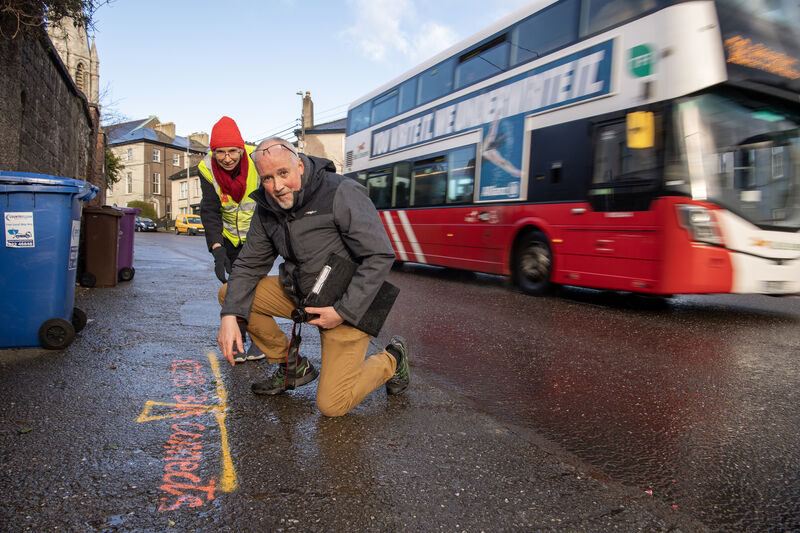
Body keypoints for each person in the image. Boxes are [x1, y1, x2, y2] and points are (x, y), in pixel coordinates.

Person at [216, 138, 410, 417]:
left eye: (283, 174)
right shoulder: (268, 205)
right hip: (302, 293)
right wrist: (229, 316)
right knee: (229, 296)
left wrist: (342, 311)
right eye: (267, 178)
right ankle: (292, 366)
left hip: (349, 303)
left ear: (299, 164)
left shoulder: (341, 192)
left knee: (332, 406)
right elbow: (248, 265)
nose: (277, 186)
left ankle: (394, 358)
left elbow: (379, 255)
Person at [199, 116, 264, 363]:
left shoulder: (258, 160)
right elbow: (210, 209)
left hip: (257, 236)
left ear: (241, 148)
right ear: (213, 151)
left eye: (233, 151)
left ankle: (260, 340)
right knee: (234, 287)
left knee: (252, 287)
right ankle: (239, 339)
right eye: (220, 153)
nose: (227, 158)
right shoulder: (206, 167)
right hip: (228, 237)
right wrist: (216, 248)